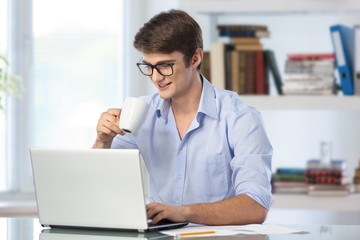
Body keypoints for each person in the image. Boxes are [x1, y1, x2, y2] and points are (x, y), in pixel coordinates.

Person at [94, 9, 273, 226]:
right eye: (148, 67)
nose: (156, 77)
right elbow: (100, 184)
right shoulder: (142, 112)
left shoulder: (240, 117)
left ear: (195, 58)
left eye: (165, 66)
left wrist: (184, 212)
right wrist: (103, 140)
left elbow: (255, 206)